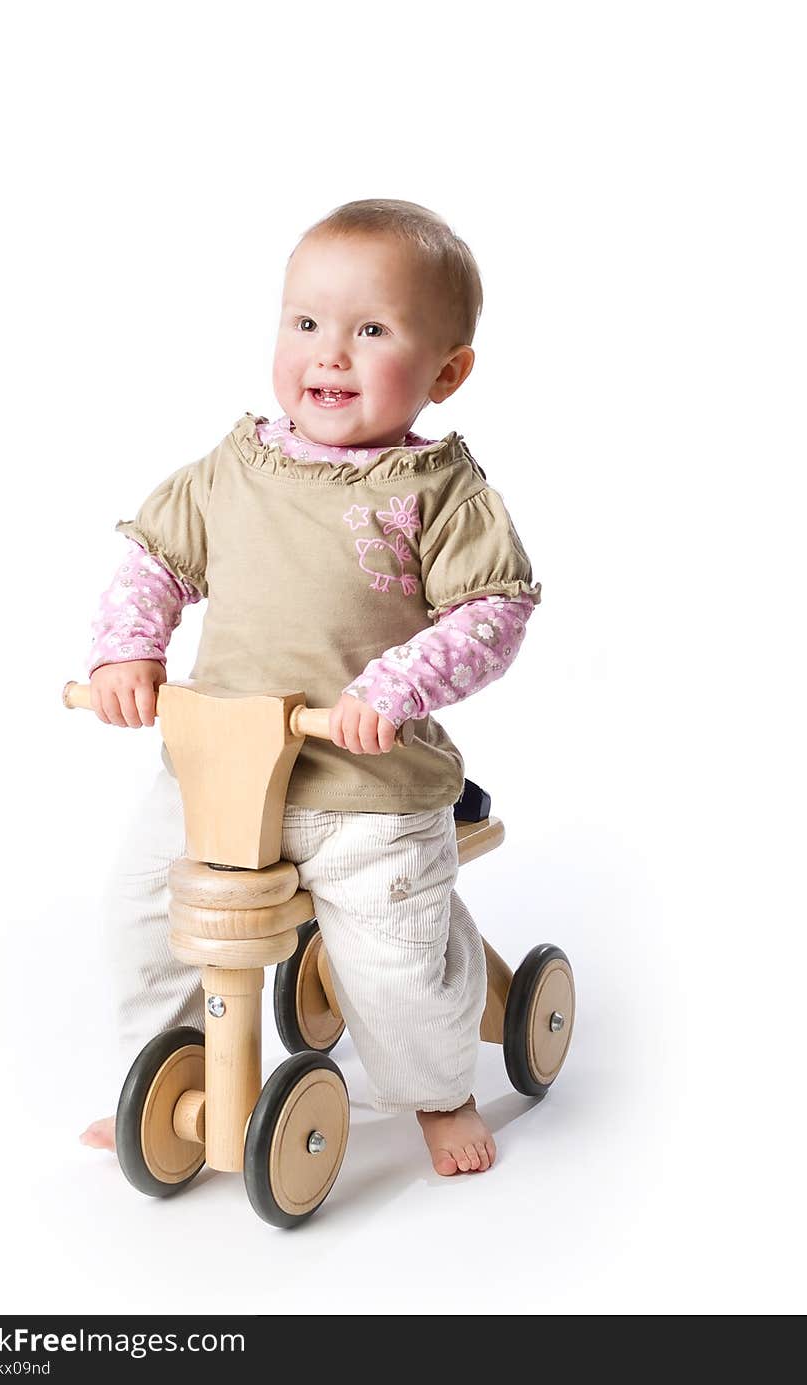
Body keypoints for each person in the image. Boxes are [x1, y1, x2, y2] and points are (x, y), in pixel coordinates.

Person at [79, 198, 541, 1176]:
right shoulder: (233, 468)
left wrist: (395, 686)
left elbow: (492, 610)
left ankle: (437, 1090)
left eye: (370, 330)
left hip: (362, 788)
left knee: (394, 963)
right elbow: (156, 555)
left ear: (446, 371)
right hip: (213, 774)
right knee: (144, 917)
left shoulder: (439, 491)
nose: (328, 354)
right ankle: (168, 1073)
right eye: (306, 323)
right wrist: (128, 651)